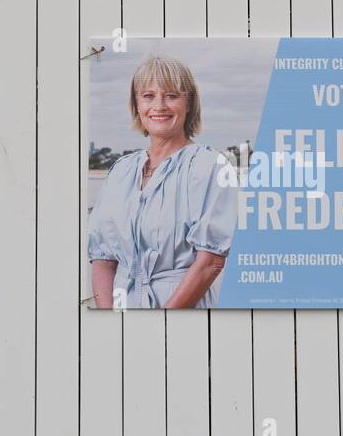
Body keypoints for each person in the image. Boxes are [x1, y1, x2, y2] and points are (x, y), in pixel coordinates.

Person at [87, 55, 237, 308]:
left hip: (181, 308)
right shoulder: (120, 170)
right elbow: (103, 258)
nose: (159, 106)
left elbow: (210, 261)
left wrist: (163, 321)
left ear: (189, 103)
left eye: (171, 95)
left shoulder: (210, 166)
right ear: (136, 105)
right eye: (148, 96)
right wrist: (109, 321)